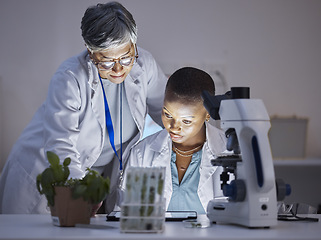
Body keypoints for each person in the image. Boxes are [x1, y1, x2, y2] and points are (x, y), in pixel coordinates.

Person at [0, 2, 167, 214]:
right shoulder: (70, 79)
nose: (118, 68)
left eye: (126, 57)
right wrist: (83, 190)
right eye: (106, 61)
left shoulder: (145, 65)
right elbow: (60, 146)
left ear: (134, 45)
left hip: (95, 180)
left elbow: (169, 112)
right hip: (45, 175)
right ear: (91, 52)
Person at [125, 67, 227, 214]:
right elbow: (128, 215)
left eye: (186, 121)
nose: (174, 127)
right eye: (167, 115)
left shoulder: (230, 151)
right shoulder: (142, 153)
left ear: (208, 115)